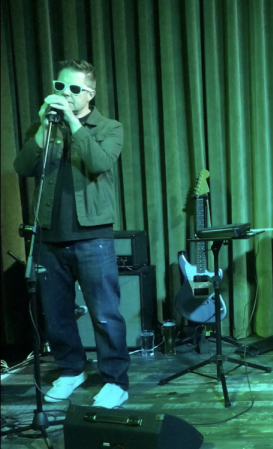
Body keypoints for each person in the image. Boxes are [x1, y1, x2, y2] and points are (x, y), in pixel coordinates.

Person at [14, 59, 130, 408]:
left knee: (105, 313)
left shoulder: (109, 127)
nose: (66, 94)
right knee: (57, 312)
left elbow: (98, 163)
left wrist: (73, 123)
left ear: (90, 94)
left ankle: (115, 380)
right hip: (49, 236)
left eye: (75, 89)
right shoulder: (45, 128)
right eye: (60, 86)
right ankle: (70, 370)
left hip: (92, 235)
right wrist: (42, 128)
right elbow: (23, 166)